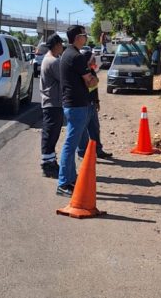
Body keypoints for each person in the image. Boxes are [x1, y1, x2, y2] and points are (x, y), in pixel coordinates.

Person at [56, 25, 98, 196]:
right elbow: (92, 82)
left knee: (74, 144)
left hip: (74, 104)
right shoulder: (76, 57)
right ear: (77, 37)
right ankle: (64, 183)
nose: (86, 37)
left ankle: (71, 180)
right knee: (70, 145)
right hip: (77, 106)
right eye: (84, 35)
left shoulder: (67, 54)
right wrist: (93, 75)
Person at [77, 50, 113, 160]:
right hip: (84, 105)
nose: (94, 60)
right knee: (83, 130)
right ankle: (83, 153)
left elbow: (94, 88)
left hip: (92, 104)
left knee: (95, 129)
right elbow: (88, 85)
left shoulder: (91, 71)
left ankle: (98, 150)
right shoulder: (82, 72)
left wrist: (97, 101)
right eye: (92, 58)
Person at [38, 33, 65, 178]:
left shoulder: (50, 59)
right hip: (52, 103)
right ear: (56, 45)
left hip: (52, 102)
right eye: (61, 44)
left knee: (52, 134)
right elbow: (64, 79)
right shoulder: (53, 61)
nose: (62, 47)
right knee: (50, 134)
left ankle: (51, 161)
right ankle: (47, 165)